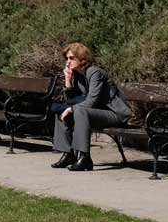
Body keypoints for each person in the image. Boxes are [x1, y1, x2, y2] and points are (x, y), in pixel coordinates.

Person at [51, 42, 129, 170]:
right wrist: (68, 80)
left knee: (79, 110)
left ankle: (84, 157)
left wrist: (71, 109)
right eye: (66, 58)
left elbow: (92, 101)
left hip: (115, 114)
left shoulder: (95, 72)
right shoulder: (77, 75)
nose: (68, 62)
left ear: (82, 58)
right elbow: (72, 101)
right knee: (63, 111)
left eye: (71, 58)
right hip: (96, 113)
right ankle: (69, 153)